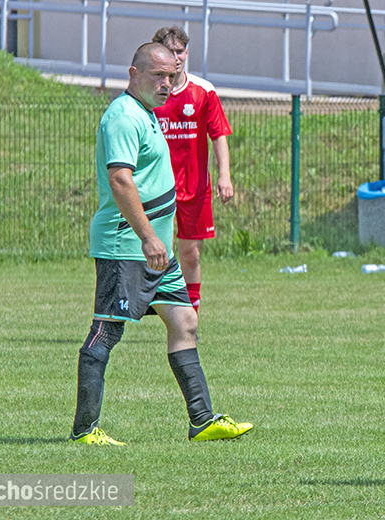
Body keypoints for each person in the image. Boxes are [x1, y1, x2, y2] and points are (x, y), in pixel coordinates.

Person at [69, 42, 252, 445]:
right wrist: (149, 236)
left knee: (185, 322)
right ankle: (85, 430)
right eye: (157, 75)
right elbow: (120, 179)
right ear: (133, 75)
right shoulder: (123, 116)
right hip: (129, 246)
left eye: (171, 76)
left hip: (156, 251)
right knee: (106, 332)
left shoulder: (147, 113)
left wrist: (158, 243)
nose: (167, 84)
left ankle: (202, 421)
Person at [151, 26, 234, 315]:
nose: (176, 57)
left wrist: (224, 175)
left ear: (187, 53)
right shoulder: (149, 95)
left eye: (180, 51)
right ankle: (146, 308)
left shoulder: (203, 91)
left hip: (195, 188)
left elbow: (219, 134)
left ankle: (190, 318)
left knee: (190, 253)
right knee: (154, 252)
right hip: (156, 189)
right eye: (170, 51)